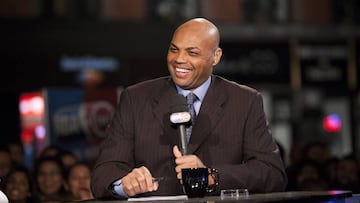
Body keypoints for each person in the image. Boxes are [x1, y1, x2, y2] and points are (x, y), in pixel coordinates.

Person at [91, 17, 287, 199]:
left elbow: (272, 174)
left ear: (215, 56)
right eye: (174, 49)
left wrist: (211, 176)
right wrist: (124, 184)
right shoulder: (135, 98)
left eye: (192, 52)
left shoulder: (245, 101)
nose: (179, 60)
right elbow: (103, 173)